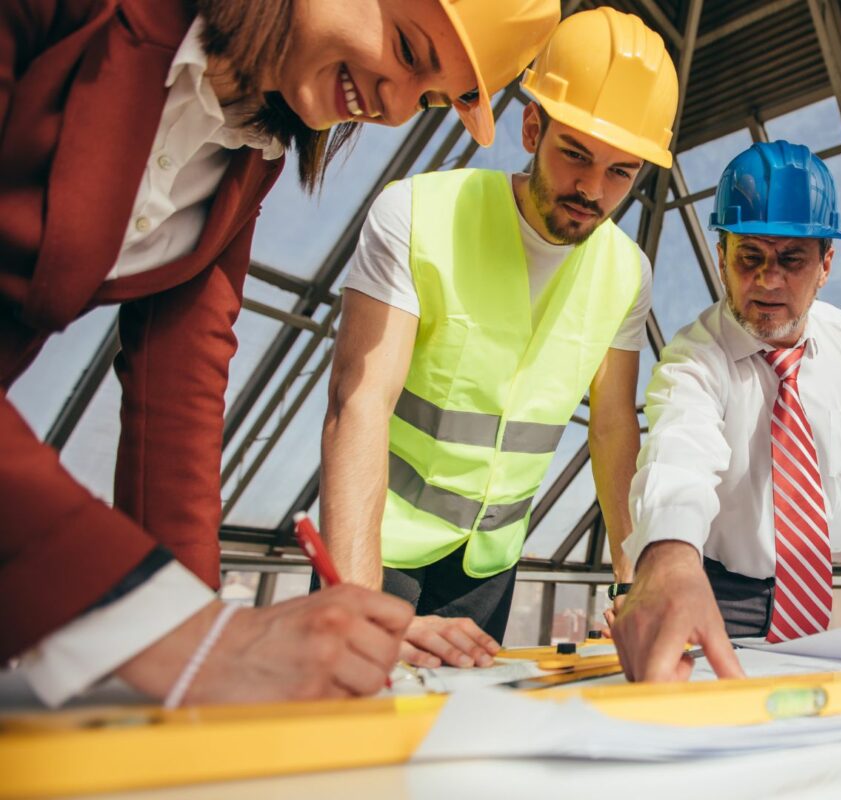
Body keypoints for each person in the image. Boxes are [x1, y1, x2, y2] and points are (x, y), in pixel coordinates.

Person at [0, 0, 559, 707]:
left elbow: (176, 404)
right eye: (410, 50)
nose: (393, 110)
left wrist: (207, 633)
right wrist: (172, 633)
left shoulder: (242, 158)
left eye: (429, 97)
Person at [319, 7, 678, 670]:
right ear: (532, 126)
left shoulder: (628, 272)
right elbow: (358, 401)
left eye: (621, 172)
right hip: (376, 545)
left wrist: (632, 580)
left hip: (488, 567)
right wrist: (355, 601)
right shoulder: (417, 213)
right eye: (576, 154)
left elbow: (612, 427)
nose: (592, 190)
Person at [613, 141, 841, 683]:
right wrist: (672, 559)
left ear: (826, 264)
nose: (768, 280)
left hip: (814, 593)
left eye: (792, 259)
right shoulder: (694, 356)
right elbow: (678, 456)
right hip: (714, 591)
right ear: (721, 255)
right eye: (750, 256)